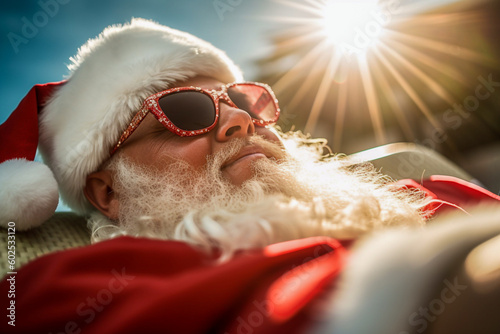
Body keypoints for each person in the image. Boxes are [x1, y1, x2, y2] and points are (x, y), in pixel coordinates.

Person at [1, 18, 499, 334]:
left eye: (242, 101)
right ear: (108, 191)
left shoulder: (426, 193)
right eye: (187, 112)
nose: (240, 120)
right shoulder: (69, 290)